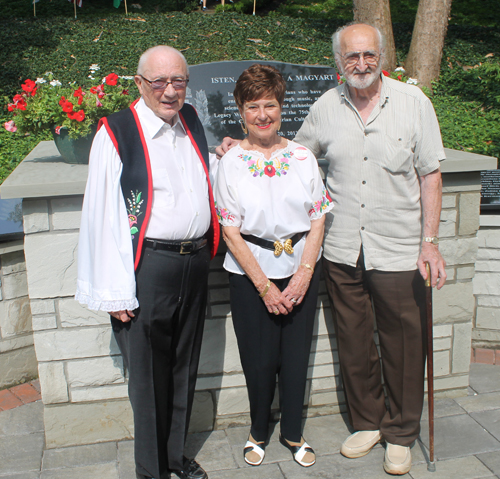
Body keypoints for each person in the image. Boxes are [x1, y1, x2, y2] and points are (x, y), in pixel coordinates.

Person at [217, 23, 447, 476]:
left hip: (398, 246)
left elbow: (430, 174)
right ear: (338, 61)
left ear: (381, 56)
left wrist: (431, 241)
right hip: (342, 251)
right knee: (355, 341)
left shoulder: (414, 103)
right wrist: (234, 148)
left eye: (367, 55)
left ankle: (401, 433)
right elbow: (286, 153)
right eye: (350, 57)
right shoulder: (326, 106)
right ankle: (367, 423)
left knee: (403, 342)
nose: (360, 64)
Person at [76, 45, 219, 479]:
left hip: (193, 264)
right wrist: (114, 289)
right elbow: (101, 214)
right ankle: (152, 470)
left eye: (178, 81)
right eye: (159, 82)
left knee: (182, 367)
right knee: (148, 378)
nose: (170, 91)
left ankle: (174, 457)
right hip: (147, 269)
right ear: (139, 83)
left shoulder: (190, 120)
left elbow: (199, 175)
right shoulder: (117, 132)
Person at [214, 64, 333, 469]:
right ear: (240, 110)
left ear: (282, 107)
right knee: (258, 359)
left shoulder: (302, 157)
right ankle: (258, 429)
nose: (263, 114)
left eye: (270, 105)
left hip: (300, 266)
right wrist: (264, 286)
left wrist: (303, 272)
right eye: (253, 106)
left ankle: (293, 431)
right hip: (250, 274)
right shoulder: (228, 163)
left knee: (296, 356)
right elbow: (230, 232)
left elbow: (318, 219)